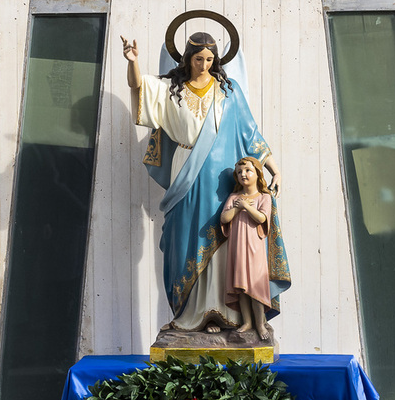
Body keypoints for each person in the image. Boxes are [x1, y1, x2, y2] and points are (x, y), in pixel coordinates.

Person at [121, 32, 290, 333]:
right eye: (199, 59)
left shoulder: (229, 90)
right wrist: (133, 62)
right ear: (187, 58)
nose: (204, 65)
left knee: (226, 241)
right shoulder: (171, 90)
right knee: (185, 239)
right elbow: (138, 87)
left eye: (210, 59)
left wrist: (274, 170)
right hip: (185, 171)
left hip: (225, 178)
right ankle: (192, 314)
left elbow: (250, 134)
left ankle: (226, 314)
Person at [220, 157, 273, 339]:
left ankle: (260, 323)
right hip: (237, 247)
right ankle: (247, 321)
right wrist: (238, 207)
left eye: (248, 170)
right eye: (240, 172)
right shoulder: (234, 197)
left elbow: (262, 218)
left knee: (256, 287)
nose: (243, 174)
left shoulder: (264, 197)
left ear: (258, 174)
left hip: (255, 248)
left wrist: (246, 207)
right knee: (241, 287)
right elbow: (224, 219)